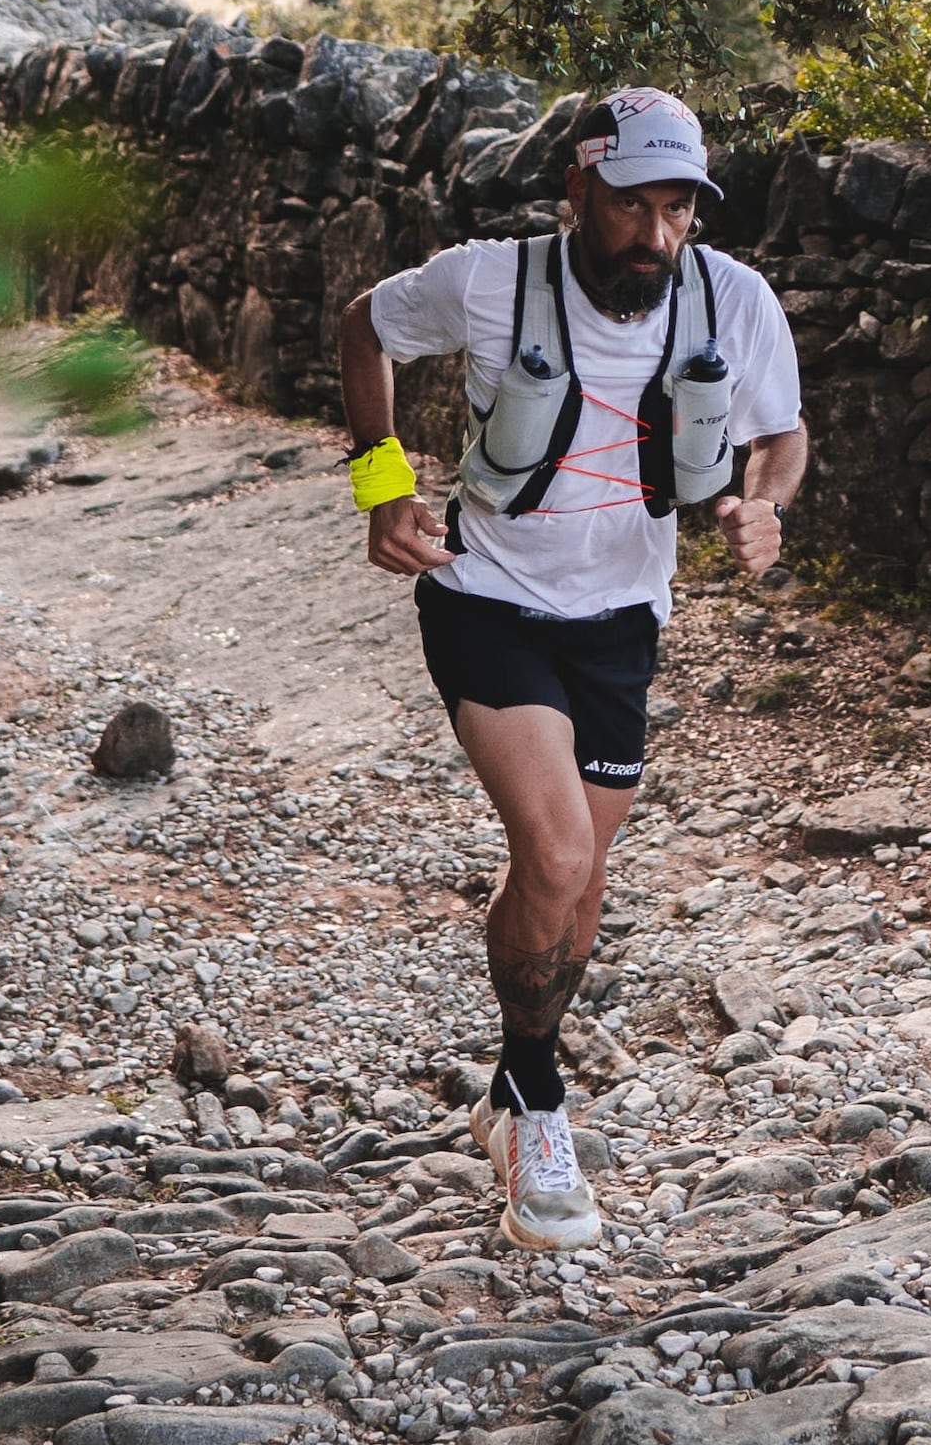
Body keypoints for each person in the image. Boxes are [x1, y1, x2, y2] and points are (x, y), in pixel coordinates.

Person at [334, 87, 809, 1252]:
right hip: (486, 597)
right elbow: (363, 328)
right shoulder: (489, 280)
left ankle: (512, 1083)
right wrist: (380, 482)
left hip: (618, 619)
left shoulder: (726, 298)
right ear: (578, 194)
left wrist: (764, 505)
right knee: (552, 851)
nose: (656, 235)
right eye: (633, 207)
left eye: (677, 210)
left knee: (578, 882)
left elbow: (779, 436)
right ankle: (540, 1106)